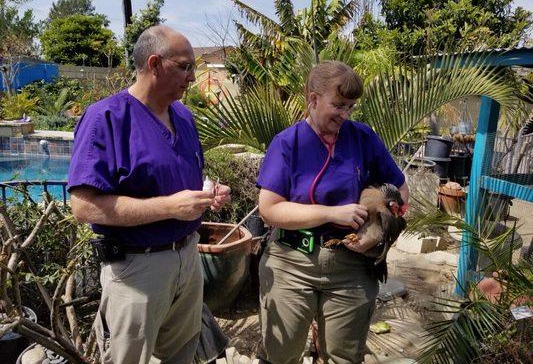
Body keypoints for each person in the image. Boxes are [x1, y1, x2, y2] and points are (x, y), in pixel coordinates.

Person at [67, 25, 231, 364]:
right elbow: (83, 206)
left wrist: (209, 193)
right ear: (155, 64)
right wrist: (169, 207)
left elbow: (181, 175)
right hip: (137, 268)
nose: (192, 76)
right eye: (185, 66)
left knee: (183, 353)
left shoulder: (183, 117)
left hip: (188, 258)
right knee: (129, 358)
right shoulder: (106, 119)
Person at [256, 60, 409, 364]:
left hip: (351, 266)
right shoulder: (287, 143)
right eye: (338, 105)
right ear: (313, 99)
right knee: (280, 355)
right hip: (291, 263)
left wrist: (378, 232)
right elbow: (269, 210)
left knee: (344, 355)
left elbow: (400, 190)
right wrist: (331, 214)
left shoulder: (363, 138)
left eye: (351, 107)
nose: (345, 114)